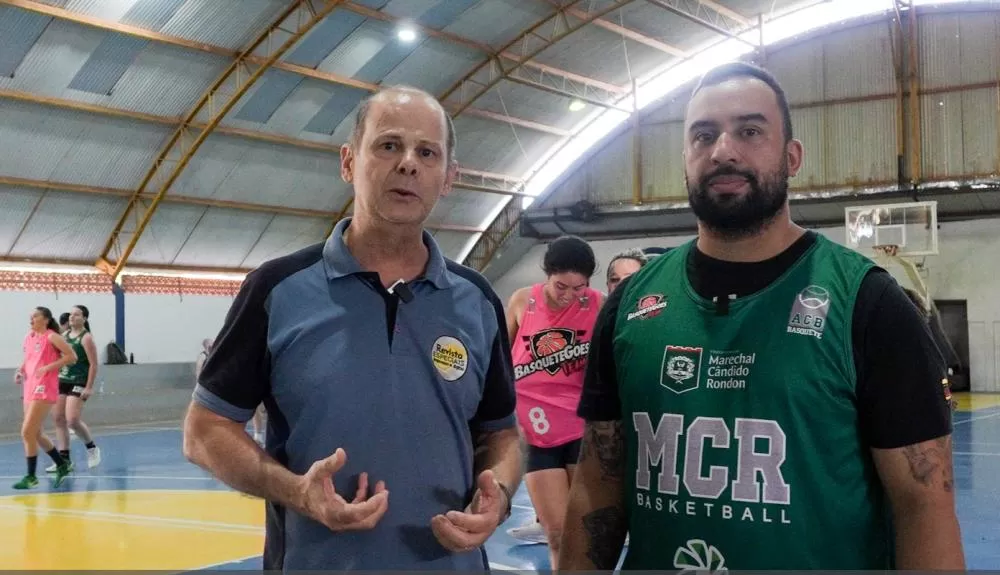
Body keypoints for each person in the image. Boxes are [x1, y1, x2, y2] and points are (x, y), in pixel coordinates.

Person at [560, 62, 964, 571]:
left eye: (750, 131)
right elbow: (598, 487)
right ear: (685, 159)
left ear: (792, 157)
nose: (723, 150)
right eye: (703, 135)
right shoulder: (630, 305)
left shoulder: (869, 305)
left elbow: (923, 505)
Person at [182, 85, 522, 571]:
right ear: (348, 162)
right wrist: (297, 492)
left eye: (427, 153)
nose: (408, 164)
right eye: (388, 145)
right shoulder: (277, 289)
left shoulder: (478, 300)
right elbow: (205, 430)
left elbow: (502, 435)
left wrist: (500, 495)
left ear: (449, 177)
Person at [503, 236, 603, 567]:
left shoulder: (597, 304)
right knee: (557, 531)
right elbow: (497, 360)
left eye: (579, 288)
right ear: (547, 273)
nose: (570, 296)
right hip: (533, 429)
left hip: (579, 426)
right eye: (562, 286)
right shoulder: (522, 301)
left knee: (586, 530)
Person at [13, 306, 76, 489]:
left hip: (44, 387)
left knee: (26, 432)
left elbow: (71, 357)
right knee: (37, 433)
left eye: (35, 316)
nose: (31, 319)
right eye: (30, 317)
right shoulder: (29, 337)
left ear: (46, 319)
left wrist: (49, 367)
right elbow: (29, 358)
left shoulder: (52, 336)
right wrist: (20, 370)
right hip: (30, 386)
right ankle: (62, 465)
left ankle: (31, 476)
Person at [48, 305, 101, 472]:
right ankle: (64, 460)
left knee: (72, 419)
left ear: (84, 318)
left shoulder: (86, 338)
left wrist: (89, 387)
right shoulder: (63, 336)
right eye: (71, 314)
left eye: (76, 315)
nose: (72, 317)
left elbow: (93, 364)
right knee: (58, 418)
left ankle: (92, 448)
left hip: (79, 381)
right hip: (62, 380)